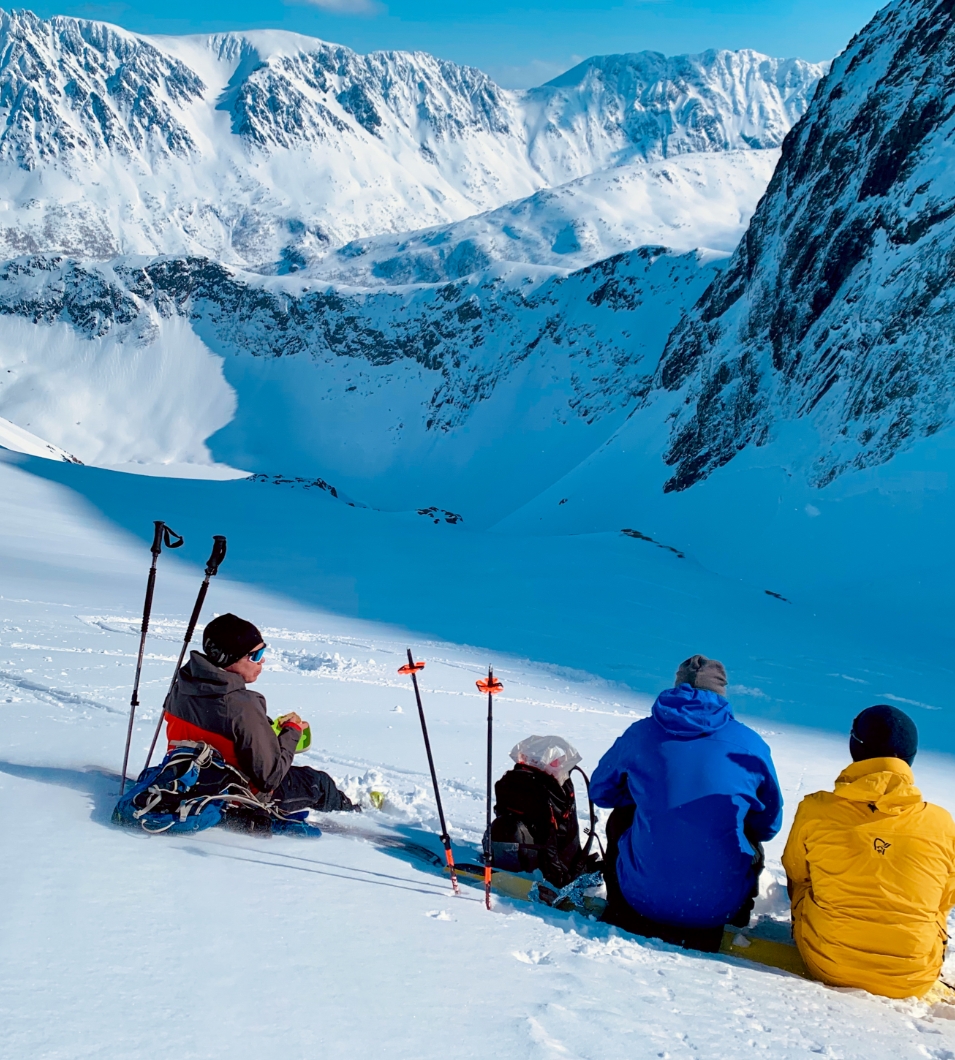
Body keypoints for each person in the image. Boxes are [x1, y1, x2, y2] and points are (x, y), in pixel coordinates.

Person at [591, 654, 783, 952]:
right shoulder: (749, 744)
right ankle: (728, 902)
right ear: (721, 692)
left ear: (676, 686)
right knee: (744, 826)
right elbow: (769, 825)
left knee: (623, 817)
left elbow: (600, 793)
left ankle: (625, 898)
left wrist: (647, 793)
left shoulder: (641, 734)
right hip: (718, 910)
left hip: (640, 899)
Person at [782, 705, 955, 999]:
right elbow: (945, 899)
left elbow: (796, 873)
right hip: (912, 978)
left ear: (855, 748)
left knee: (806, 880)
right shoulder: (941, 823)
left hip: (828, 963)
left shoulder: (816, 810)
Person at [163, 613, 357, 813]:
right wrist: (292, 731)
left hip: (188, 779)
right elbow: (270, 779)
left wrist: (264, 728)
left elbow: (222, 730)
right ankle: (353, 815)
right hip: (240, 797)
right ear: (229, 657)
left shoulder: (182, 687)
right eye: (255, 655)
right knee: (319, 783)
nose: (262, 660)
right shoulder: (242, 708)